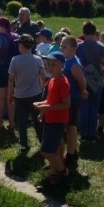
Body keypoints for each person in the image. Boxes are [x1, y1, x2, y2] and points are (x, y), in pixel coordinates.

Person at [34, 52, 71, 184]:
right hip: (50, 118)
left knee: (45, 151)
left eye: (53, 64)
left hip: (57, 120)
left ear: (61, 64)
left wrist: (46, 108)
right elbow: (51, 101)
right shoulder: (52, 80)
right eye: (48, 64)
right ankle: (54, 172)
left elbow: (66, 104)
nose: (50, 67)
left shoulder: (62, 81)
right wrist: (41, 106)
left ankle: (64, 171)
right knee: (56, 147)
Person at [8, 34, 45, 153]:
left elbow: (11, 80)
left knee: (22, 121)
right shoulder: (38, 59)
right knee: (38, 120)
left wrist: (10, 94)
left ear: (22, 45)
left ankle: (24, 144)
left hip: (20, 95)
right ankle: (42, 141)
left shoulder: (15, 60)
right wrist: (42, 88)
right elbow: (43, 76)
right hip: (35, 94)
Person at [77, 21, 104, 142]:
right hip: (97, 78)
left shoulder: (79, 46)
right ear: (94, 31)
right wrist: (102, 72)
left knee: (84, 106)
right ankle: (92, 134)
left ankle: (84, 134)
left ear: (83, 32)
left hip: (83, 78)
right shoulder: (100, 46)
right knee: (95, 107)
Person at [59, 36, 87, 168]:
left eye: (64, 46)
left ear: (73, 48)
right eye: (61, 46)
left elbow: (82, 81)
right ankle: (71, 151)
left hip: (73, 99)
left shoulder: (74, 64)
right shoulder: (67, 60)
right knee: (68, 126)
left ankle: (71, 153)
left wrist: (83, 91)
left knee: (71, 126)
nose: (61, 48)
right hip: (67, 98)